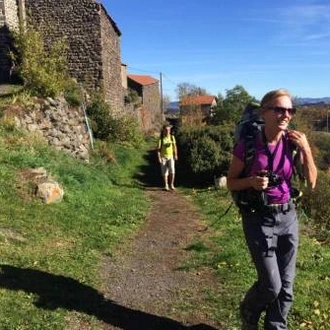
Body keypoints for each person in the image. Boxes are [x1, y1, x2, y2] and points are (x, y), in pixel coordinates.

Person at [227, 89, 317, 330]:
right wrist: (252, 182)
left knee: (286, 288)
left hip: (288, 217)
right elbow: (231, 182)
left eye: (290, 110)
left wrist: (307, 149)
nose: (286, 114)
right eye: (279, 109)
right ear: (264, 113)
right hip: (259, 218)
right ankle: (249, 309)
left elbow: (311, 181)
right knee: (271, 286)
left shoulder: (293, 144)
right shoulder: (247, 145)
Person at [157, 124, 178, 191]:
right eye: (166, 130)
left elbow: (174, 147)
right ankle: (166, 185)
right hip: (163, 157)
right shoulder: (161, 139)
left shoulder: (172, 137)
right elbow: (158, 150)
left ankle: (172, 184)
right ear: (163, 130)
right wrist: (159, 158)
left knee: (172, 170)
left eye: (169, 130)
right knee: (165, 172)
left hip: (171, 156)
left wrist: (176, 155)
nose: (167, 131)